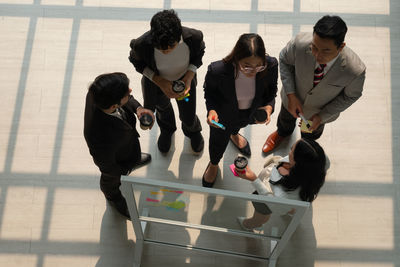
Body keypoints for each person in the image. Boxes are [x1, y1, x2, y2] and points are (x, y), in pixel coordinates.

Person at [262, 15, 366, 153]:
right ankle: (282, 133)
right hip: (292, 98)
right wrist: (291, 94)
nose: (317, 55)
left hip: (320, 111)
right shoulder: (299, 43)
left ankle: (305, 146)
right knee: (285, 120)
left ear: (341, 47)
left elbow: (350, 96)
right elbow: (284, 60)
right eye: (314, 47)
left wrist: (322, 116)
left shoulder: (355, 70)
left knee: (310, 135)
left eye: (326, 51)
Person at [202, 33, 278, 188]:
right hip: (223, 116)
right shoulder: (217, 70)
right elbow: (209, 94)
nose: (253, 71)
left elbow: (272, 92)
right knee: (217, 141)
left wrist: (269, 108)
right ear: (237, 58)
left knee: (239, 125)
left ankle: (234, 133)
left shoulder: (270, 65)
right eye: (247, 65)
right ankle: (214, 163)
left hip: (250, 114)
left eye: (259, 65)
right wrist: (211, 111)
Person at [129, 9, 205, 153]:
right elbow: (135, 61)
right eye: (160, 49)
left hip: (184, 83)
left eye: (171, 47)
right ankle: (167, 130)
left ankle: (192, 131)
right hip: (156, 86)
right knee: (162, 110)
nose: (166, 52)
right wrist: (159, 81)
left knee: (188, 113)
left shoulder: (194, 37)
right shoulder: (142, 44)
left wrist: (189, 76)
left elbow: (200, 53)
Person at [84, 72, 154, 219]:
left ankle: (133, 160)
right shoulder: (97, 136)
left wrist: (138, 108)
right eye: (126, 92)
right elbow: (107, 166)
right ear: (114, 105)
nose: (130, 91)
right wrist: (124, 169)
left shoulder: (98, 92)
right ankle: (113, 197)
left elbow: (128, 99)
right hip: (116, 160)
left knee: (132, 157)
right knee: (111, 179)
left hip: (125, 145)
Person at [236, 138, 326, 230]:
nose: (289, 152)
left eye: (292, 151)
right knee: (290, 208)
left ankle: (250, 225)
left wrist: (253, 179)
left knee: (261, 214)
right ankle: (290, 211)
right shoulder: (314, 169)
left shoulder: (284, 196)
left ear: (298, 163)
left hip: (266, 197)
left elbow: (275, 205)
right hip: (287, 199)